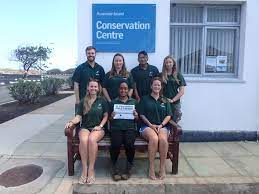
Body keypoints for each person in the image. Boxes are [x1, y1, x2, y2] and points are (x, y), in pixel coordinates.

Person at [65, 79, 108, 184]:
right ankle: (84, 169)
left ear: (98, 88)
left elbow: (106, 116)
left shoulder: (102, 100)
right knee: (84, 140)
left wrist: (100, 125)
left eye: (95, 86)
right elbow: (78, 116)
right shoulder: (83, 100)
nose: (93, 88)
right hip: (85, 127)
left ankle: (91, 169)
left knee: (92, 139)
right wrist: (71, 122)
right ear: (88, 88)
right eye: (91, 86)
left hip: (98, 128)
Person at [137, 77, 172, 180]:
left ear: (161, 87)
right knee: (154, 139)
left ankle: (162, 168)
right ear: (151, 86)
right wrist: (151, 125)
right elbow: (141, 115)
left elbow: (168, 115)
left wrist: (161, 125)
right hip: (147, 126)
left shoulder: (165, 100)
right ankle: (151, 168)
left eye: (158, 85)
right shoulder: (144, 99)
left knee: (162, 139)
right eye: (155, 85)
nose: (157, 86)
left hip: (162, 126)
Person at [109, 81, 138, 181]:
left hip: (130, 128)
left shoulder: (134, 102)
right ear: (118, 89)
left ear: (128, 90)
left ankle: (128, 169)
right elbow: (110, 120)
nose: (123, 90)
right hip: (116, 128)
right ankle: (114, 168)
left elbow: (137, 120)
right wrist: (111, 116)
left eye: (125, 88)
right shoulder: (113, 102)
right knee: (115, 144)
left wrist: (136, 116)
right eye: (121, 88)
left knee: (129, 144)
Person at [72, 46, 105, 111]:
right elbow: (76, 84)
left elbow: (102, 85)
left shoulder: (100, 68)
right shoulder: (80, 68)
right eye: (89, 53)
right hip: (83, 100)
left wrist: (101, 98)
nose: (91, 55)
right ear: (86, 54)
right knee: (79, 119)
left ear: (95, 54)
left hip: (96, 101)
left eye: (92, 53)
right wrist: (77, 100)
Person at [161, 56, 186, 122]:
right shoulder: (161, 75)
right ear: (164, 64)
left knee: (174, 123)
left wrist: (172, 100)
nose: (168, 64)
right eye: (166, 62)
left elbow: (182, 91)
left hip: (175, 103)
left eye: (170, 62)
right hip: (163, 102)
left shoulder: (178, 75)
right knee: (163, 121)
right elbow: (157, 89)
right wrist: (163, 99)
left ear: (173, 63)